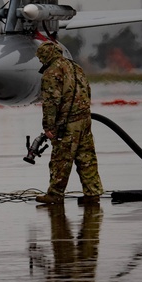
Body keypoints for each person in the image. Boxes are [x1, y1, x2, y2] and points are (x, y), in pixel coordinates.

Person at [34, 41, 104, 205]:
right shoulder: (75, 67)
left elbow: (51, 102)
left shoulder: (51, 72)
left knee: (61, 159)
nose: (40, 61)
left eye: (41, 58)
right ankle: (92, 193)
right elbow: (88, 90)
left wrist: (49, 127)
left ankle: (55, 194)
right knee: (86, 158)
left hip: (68, 124)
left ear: (46, 55)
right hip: (85, 119)